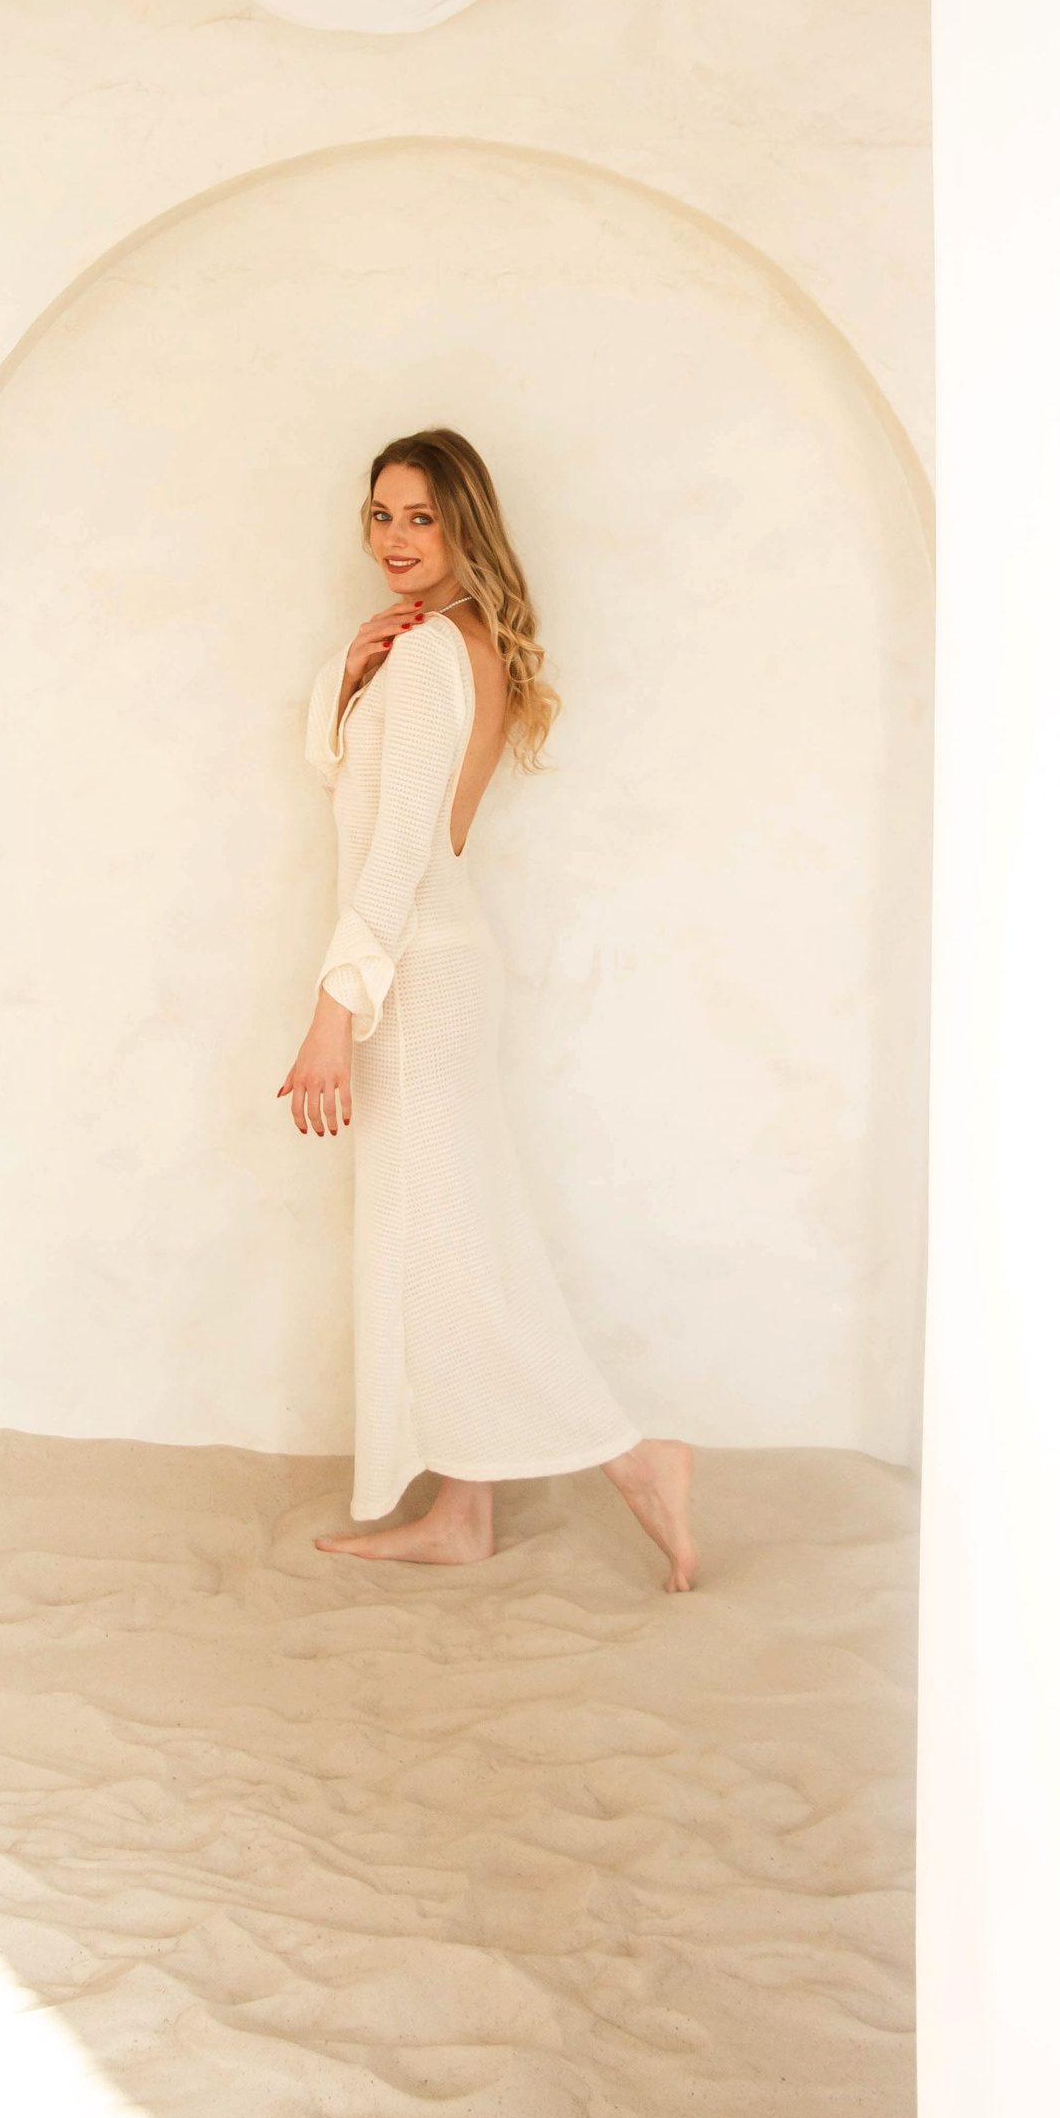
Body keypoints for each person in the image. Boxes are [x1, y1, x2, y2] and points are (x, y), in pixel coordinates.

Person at [279, 428, 697, 1592]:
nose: (395, 539)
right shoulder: (455, 645)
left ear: (465, 523)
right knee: (445, 1240)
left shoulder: (430, 657)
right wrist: (346, 674)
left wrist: (333, 1009)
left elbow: (399, 849)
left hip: (416, 972)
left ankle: (634, 1458)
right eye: (381, 515)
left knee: (450, 1248)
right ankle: (464, 1510)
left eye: (421, 516)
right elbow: (364, 791)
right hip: (436, 961)